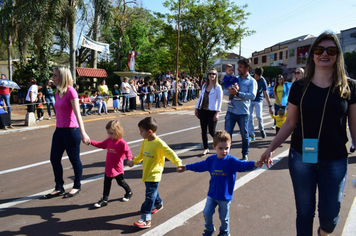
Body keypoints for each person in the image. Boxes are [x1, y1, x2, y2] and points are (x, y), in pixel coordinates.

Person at [260, 32, 356, 236]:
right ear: (312, 55)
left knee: (330, 218)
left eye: (331, 50)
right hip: (302, 157)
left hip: (335, 159)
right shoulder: (299, 87)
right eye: (319, 50)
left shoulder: (350, 87)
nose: (325, 54)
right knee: (304, 212)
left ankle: (323, 232)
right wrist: (270, 148)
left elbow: (354, 125)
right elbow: (289, 123)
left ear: (338, 55)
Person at [177, 130, 263, 236]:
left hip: (225, 197)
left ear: (230, 146)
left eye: (227, 148)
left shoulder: (232, 161)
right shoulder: (211, 160)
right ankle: (209, 229)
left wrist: (255, 163)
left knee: (224, 218)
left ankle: (224, 232)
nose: (224, 151)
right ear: (214, 147)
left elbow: (242, 165)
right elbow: (200, 165)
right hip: (212, 194)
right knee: (206, 213)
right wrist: (187, 167)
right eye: (220, 148)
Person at [44, 66, 90, 199]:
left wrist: (83, 132)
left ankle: (76, 186)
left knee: (74, 159)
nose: (53, 78)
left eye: (55, 76)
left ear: (63, 77)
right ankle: (59, 187)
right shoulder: (57, 92)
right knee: (54, 159)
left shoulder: (71, 92)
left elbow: (78, 114)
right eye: (53, 75)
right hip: (59, 130)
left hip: (71, 130)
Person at [127, 117, 182, 228]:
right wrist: (133, 161)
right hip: (147, 173)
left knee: (149, 197)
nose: (140, 133)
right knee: (152, 192)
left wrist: (178, 163)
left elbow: (170, 154)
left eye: (141, 131)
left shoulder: (159, 144)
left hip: (154, 174)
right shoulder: (145, 142)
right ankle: (159, 203)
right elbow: (141, 155)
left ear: (149, 131)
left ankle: (146, 219)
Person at [91, 120, 133, 208]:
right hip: (109, 167)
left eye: (111, 133)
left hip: (117, 168)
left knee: (121, 182)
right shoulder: (109, 140)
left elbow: (128, 151)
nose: (109, 135)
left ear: (118, 132)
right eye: (108, 133)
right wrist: (90, 142)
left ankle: (129, 192)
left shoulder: (122, 142)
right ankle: (104, 199)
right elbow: (101, 144)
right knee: (106, 183)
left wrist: (129, 159)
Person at [224, 59, 257, 161]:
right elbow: (225, 91)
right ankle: (226, 157)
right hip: (231, 111)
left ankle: (245, 154)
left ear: (247, 68)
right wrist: (230, 90)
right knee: (227, 136)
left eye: (240, 67)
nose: (237, 68)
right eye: (238, 66)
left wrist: (238, 94)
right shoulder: (234, 78)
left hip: (243, 113)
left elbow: (252, 95)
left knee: (244, 135)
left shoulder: (252, 81)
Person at [195, 68, 223, 156]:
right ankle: (206, 148)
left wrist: (217, 113)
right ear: (208, 75)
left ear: (216, 76)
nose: (212, 75)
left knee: (211, 131)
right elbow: (200, 98)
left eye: (214, 74)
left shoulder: (218, 87)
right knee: (203, 130)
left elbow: (220, 101)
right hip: (203, 110)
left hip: (212, 111)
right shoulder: (204, 86)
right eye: (210, 74)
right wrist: (196, 108)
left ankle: (220, 144)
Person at [248, 67, 272, 141]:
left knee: (259, 116)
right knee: (250, 117)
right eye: (256, 76)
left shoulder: (262, 80)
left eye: (259, 76)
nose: (257, 78)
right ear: (254, 73)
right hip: (250, 99)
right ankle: (251, 134)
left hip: (258, 100)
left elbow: (266, 93)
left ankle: (261, 129)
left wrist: (269, 106)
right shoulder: (250, 78)